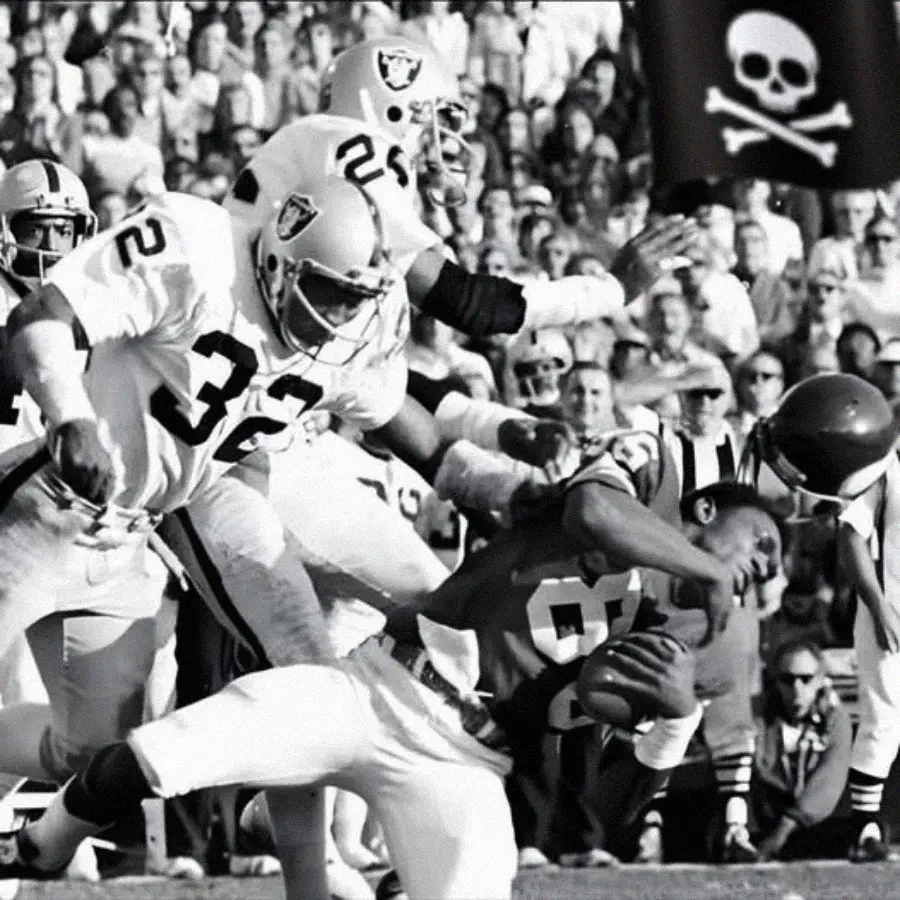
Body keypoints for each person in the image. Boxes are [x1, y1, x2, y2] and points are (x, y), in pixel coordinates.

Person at [0, 442, 783, 900]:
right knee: (163, 752)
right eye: (763, 546)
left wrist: (670, 715)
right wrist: (704, 573)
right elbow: (591, 514)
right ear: (709, 512)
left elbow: (604, 800)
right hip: (374, 686)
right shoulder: (629, 485)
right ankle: (39, 844)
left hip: (467, 763)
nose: (766, 573)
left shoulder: (677, 627)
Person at [738, 373, 899, 862]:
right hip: (892, 609)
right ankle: (867, 828)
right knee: (883, 718)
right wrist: (878, 604)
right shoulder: (885, 469)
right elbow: (851, 538)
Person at [751, 638, 852, 861]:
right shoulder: (761, 715)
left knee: (864, 830)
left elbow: (829, 780)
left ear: (820, 681)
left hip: (812, 821)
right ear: (775, 681)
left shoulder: (834, 716)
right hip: (767, 815)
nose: (797, 689)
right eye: (787, 680)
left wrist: (784, 829)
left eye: (806, 679)